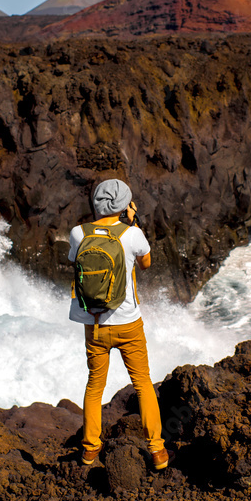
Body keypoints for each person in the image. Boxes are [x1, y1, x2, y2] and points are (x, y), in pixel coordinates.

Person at [68, 179, 170, 470]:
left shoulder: (78, 233)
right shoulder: (133, 233)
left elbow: (74, 262)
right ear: (125, 204)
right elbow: (146, 264)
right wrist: (132, 221)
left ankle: (89, 450)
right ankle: (157, 451)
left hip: (94, 324)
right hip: (128, 324)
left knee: (94, 387)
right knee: (143, 384)